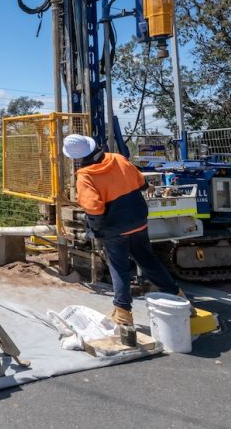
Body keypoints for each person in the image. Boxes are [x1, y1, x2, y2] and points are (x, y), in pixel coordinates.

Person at [62, 134, 188, 329]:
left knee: (119, 268)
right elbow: (141, 183)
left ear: (75, 158)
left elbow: (93, 208)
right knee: (147, 259)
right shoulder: (118, 159)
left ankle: (123, 313)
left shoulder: (85, 176)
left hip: (115, 229)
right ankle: (177, 296)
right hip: (138, 221)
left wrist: (96, 231)